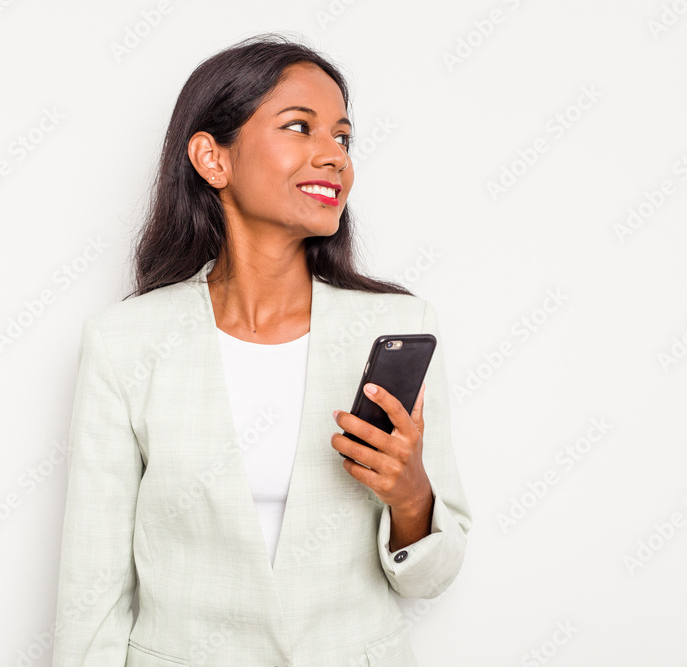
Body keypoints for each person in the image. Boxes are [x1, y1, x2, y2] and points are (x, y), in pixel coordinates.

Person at [51, 32, 472, 667]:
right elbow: (93, 586)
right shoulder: (124, 342)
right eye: (300, 127)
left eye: (343, 137)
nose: (333, 155)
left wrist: (412, 499)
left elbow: (428, 578)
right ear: (212, 159)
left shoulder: (398, 326)